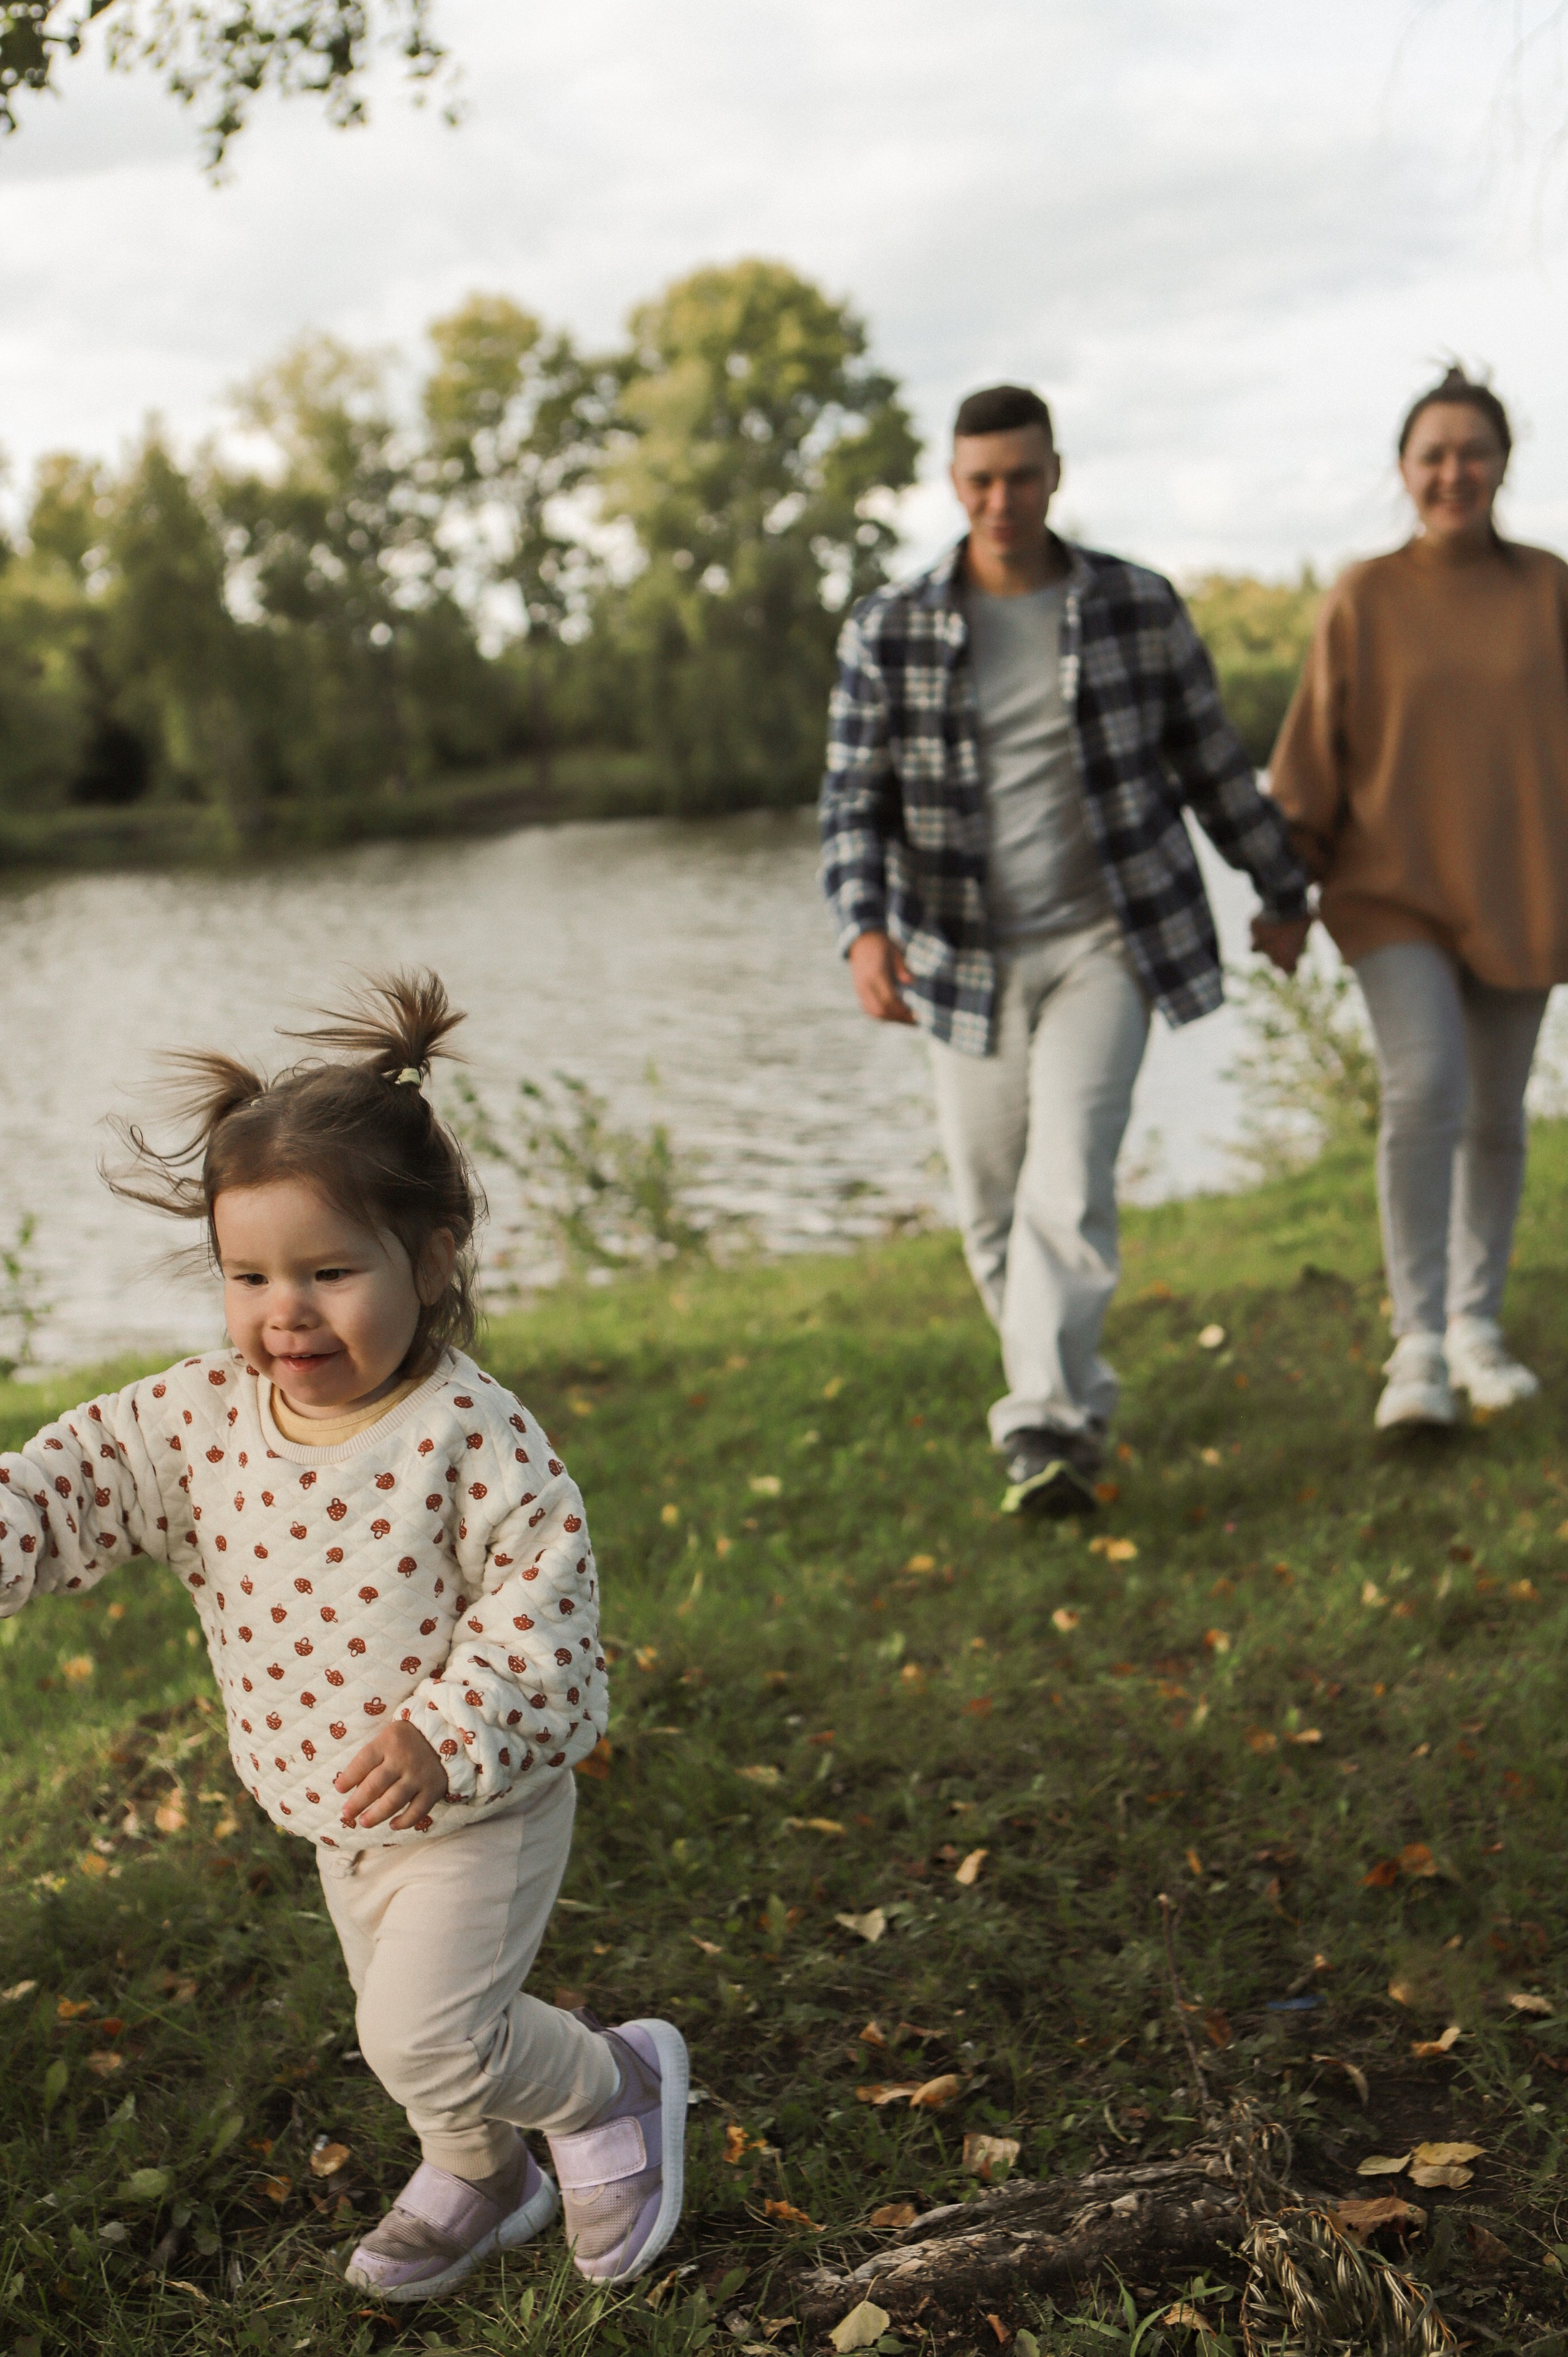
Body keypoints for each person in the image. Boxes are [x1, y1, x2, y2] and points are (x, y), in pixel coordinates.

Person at [0, 973, 687, 2302]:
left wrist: (444, 1733)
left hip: (476, 1796)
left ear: (426, 1261)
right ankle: (482, 2171)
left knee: (426, 2027)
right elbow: (72, 1478)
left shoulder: (468, 1435)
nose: (284, 1314)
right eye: (248, 1276)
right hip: (333, 1806)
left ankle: (617, 2082)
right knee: (419, 2042)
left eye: (327, 1273)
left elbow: (545, 1606)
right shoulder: (201, 1415)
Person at [820, 383, 1310, 1515]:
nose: (1003, 499)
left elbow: (1213, 766)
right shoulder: (888, 629)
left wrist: (1281, 888)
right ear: (954, 484)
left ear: (1056, 474)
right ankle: (1070, 1408)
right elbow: (852, 802)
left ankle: (1034, 1423)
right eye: (981, 479)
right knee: (991, 1211)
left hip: (1106, 940)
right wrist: (863, 929)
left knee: (1068, 1182)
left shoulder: (1135, 607)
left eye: (1023, 475)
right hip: (958, 954)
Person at [1268, 366, 1568, 1432]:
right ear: (1404, 471)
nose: (1455, 473)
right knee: (1427, 1084)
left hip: (1524, 884)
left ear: (1503, 465)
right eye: (1433, 455)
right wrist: (1284, 885)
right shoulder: (1364, 594)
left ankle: (1480, 1324)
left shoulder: (1548, 589)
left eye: (1473, 452)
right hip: (1391, 890)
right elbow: (1311, 753)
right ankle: (1420, 1343)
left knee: (1497, 1112)